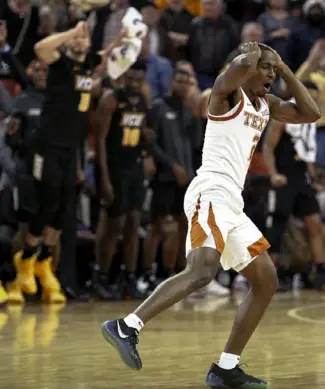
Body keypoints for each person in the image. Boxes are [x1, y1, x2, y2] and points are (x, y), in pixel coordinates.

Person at [100, 42, 320, 388]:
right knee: (202, 271)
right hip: (211, 192)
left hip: (232, 202)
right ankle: (126, 327)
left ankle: (226, 368)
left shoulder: (267, 104)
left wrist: (283, 67)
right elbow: (224, 81)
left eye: (273, 72)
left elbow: (311, 113)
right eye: (266, 69)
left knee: (265, 280)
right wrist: (248, 57)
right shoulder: (227, 98)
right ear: (248, 68)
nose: (270, 75)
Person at [7, 21, 122, 304]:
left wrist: (120, 39)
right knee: (47, 200)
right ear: (70, 42)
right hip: (47, 145)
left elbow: (103, 57)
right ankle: (25, 260)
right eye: (78, 37)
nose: (83, 40)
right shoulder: (60, 63)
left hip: (72, 149)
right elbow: (39, 47)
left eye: (85, 37)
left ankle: (44, 261)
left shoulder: (88, 64)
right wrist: (75, 31)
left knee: (64, 206)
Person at [94, 60, 153, 300]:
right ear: (122, 78)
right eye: (130, 79)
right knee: (112, 224)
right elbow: (99, 141)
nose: (134, 84)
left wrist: (147, 148)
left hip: (134, 168)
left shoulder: (143, 100)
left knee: (133, 222)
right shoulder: (110, 99)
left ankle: (128, 277)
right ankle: (102, 275)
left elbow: (144, 133)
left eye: (138, 80)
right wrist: (104, 177)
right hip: (114, 168)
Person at [263, 80, 325, 291]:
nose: (313, 100)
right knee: (278, 225)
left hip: (301, 179)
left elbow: (307, 152)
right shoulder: (284, 114)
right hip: (284, 177)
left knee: (315, 222)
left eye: (315, 97)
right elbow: (268, 148)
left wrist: (313, 178)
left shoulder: (309, 118)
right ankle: (271, 275)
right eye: (309, 96)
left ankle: (319, 272)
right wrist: (273, 174)